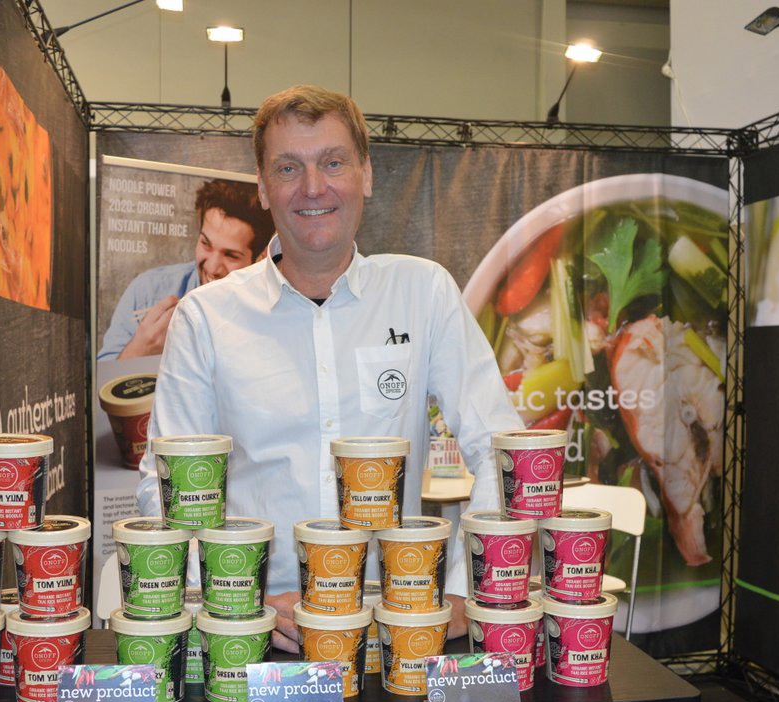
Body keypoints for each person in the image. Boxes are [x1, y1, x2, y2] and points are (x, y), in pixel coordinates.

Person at [137, 85, 521, 652]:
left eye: (333, 162)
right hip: (254, 634)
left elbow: (501, 449)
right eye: (288, 168)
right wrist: (239, 597)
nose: (313, 187)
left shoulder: (423, 292)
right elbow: (164, 484)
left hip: (397, 629)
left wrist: (467, 590)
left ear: (366, 174)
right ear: (262, 187)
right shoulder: (206, 316)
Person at [97, 179, 273, 360]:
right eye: (205, 244)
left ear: (261, 257)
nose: (212, 267)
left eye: (231, 255)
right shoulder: (147, 290)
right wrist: (140, 350)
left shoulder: (273, 310)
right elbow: (101, 375)